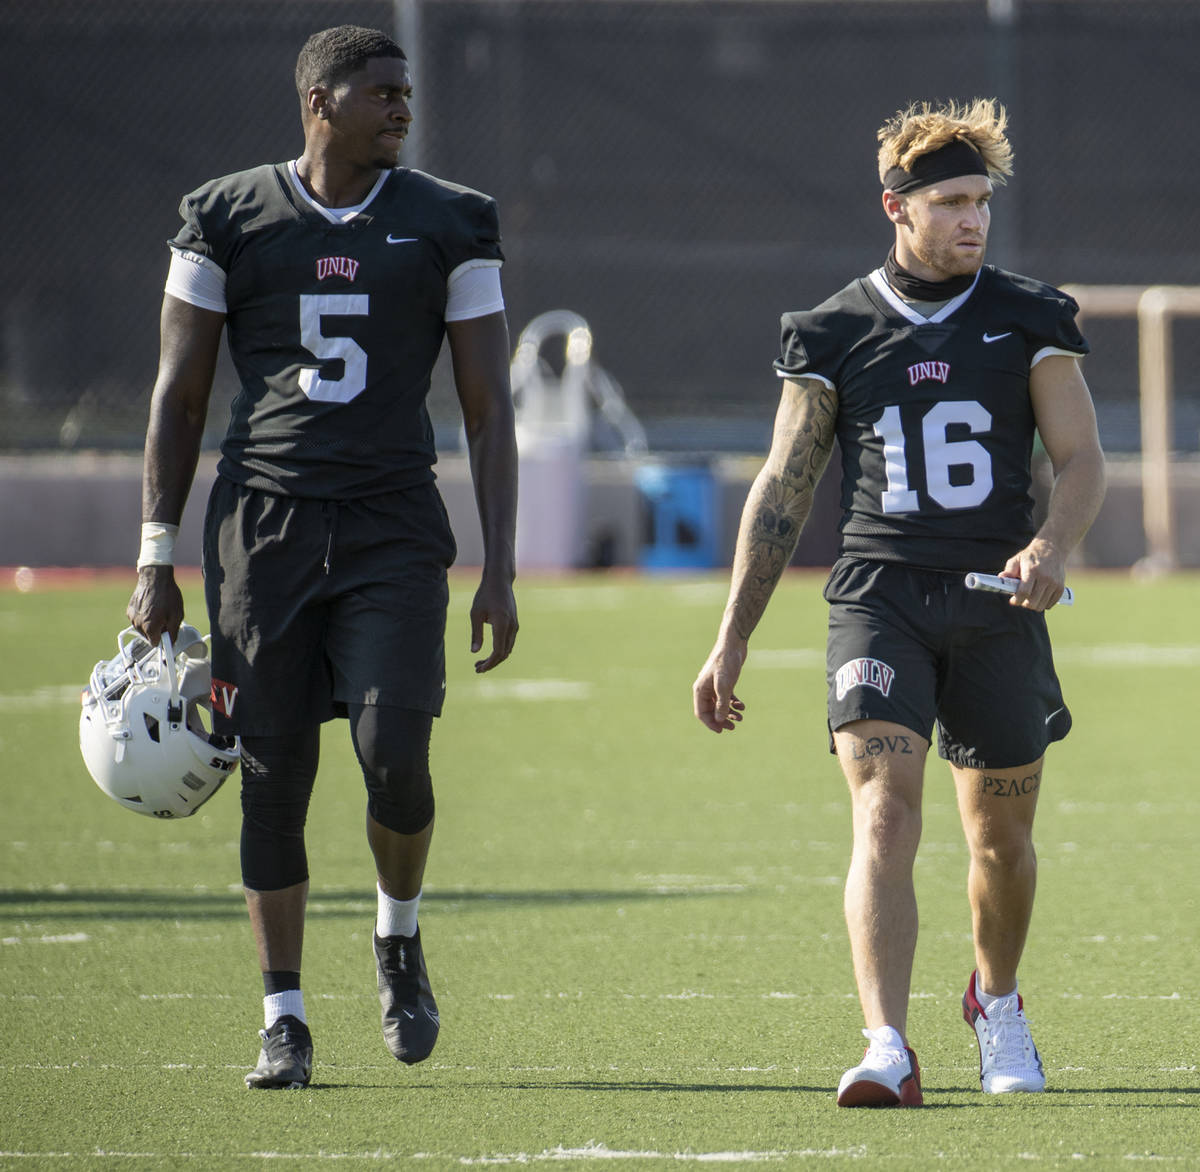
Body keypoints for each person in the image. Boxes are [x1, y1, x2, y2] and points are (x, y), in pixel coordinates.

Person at [127, 25, 518, 1090]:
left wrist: (502, 565)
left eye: (405, 91)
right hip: (264, 531)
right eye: (380, 91)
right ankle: (284, 1016)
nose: (402, 107)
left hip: (393, 522)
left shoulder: (449, 220)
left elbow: (486, 407)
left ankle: (398, 935)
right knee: (273, 777)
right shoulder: (225, 217)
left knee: (396, 747)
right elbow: (180, 394)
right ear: (318, 99)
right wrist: (155, 553)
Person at [693, 98, 1105, 1107]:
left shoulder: (1028, 314)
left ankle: (995, 1002)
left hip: (998, 602)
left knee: (999, 841)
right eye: (952, 202)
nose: (973, 221)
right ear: (897, 208)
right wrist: (731, 637)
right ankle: (886, 1042)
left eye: (983, 202)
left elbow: (1083, 456)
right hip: (880, 599)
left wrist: (1053, 543)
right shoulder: (835, 329)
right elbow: (784, 486)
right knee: (882, 813)